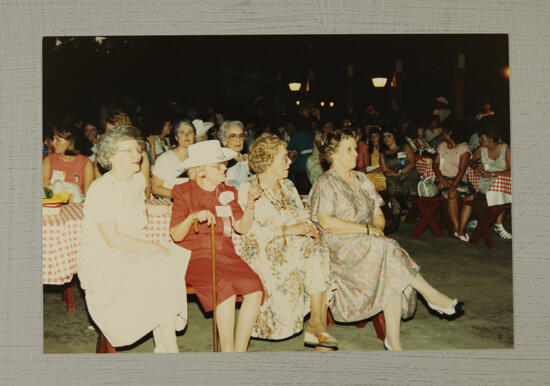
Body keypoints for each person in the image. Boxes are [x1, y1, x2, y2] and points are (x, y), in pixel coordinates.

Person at [309, 129, 462, 351]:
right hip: (337, 248)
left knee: (389, 263)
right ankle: (432, 296)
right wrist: (367, 231)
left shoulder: (362, 179)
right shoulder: (325, 182)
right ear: (333, 154)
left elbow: (378, 216)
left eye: (355, 148)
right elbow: (325, 221)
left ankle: (394, 341)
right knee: (387, 251)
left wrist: (375, 230)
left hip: (369, 244)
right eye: (349, 149)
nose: (356, 154)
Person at [76, 125, 190, 353]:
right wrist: (154, 246)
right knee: (163, 261)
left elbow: (132, 209)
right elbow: (113, 239)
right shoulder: (101, 189)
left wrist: (152, 209)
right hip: (106, 258)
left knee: (173, 257)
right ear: (110, 157)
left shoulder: (137, 181)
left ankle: (167, 346)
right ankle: (167, 348)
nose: (137, 155)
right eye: (128, 151)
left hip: (131, 251)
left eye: (136, 150)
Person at [237, 133, 338, 349]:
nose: (290, 161)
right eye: (284, 157)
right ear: (267, 160)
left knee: (318, 251)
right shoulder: (248, 189)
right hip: (263, 251)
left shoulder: (289, 186)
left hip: (295, 246)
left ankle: (318, 325)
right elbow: (250, 233)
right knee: (314, 254)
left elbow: (301, 218)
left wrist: (309, 229)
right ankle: (317, 328)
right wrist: (289, 230)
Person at [169, 140, 264, 352]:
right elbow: (175, 235)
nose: (224, 168)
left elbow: (242, 228)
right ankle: (227, 353)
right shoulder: (184, 191)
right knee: (225, 287)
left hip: (226, 255)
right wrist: (192, 217)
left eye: (224, 164)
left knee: (255, 287)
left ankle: (240, 352)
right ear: (201, 171)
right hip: (195, 257)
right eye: (218, 165)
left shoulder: (228, 191)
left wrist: (249, 203)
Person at [433, 125, 476, 241]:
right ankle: (456, 228)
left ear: (451, 132)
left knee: (470, 197)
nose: (442, 132)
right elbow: (435, 164)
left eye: (445, 131)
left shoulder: (463, 148)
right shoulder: (442, 146)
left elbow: (462, 170)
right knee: (452, 195)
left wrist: (454, 186)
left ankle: (462, 229)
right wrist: (440, 177)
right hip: (444, 178)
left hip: (459, 180)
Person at [95, 110, 151, 198]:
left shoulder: (140, 155)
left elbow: (146, 188)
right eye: (108, 132)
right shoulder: (105, 156)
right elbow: (101, 188)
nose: (110, 136)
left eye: (114, 132)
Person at [469, 124, 512, 239]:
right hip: (485, 183)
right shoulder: (481, 150)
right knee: (502, 190)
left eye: (482, 138)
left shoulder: (505, 149)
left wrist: (493, 174)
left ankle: (495, 223)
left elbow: (511, 170)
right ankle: (498, 224)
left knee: (504, 186)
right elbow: (471, 161)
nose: (479, 140)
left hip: (502, 183)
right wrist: (475, 166)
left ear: (490, 139)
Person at [379, 127, 421, 233]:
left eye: (389, 135)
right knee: (392, 183)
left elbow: (412, 162)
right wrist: (391, 174)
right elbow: (384, 170)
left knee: (396, 185)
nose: (386, 139)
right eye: (384, 136)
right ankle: (404, 206)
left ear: (394, 136)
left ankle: (394, 224)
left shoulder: (404, 147)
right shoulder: (383, 153)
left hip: (408, 175)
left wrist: (399, 172)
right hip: (394, 178)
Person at [42, 125, 93, 195]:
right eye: (54, 139)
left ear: (71, 142)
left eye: (58, 140)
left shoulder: (86, 163)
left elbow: (88, 195)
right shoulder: (48, 161)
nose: (53, 143)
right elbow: (44, 191)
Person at [151, 120, 196, 198]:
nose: (187, 135)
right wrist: (179, 195)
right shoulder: (165, 159)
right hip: (171, 201)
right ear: (176, 137)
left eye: (190, 132)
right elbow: (155, 188)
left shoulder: (199, 158)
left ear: (195, 136)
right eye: (182, 133)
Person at [218, 120, 252, 188]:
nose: (238, 140)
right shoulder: (222, 163)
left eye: (241, 136)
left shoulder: (251, 159)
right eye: (233, 136)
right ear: (224, 140)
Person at [363, 126, 387, 191]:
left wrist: (369, 172)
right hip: (373, 172)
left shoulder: (385, 149)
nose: (373, 139)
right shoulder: (371, 150)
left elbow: (383, 167)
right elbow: (368, 167)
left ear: (380, 137)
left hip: (383, 174)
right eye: (372, 137)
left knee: (366, 179)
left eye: (376, 136)